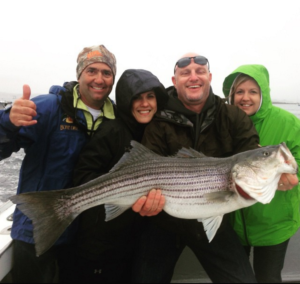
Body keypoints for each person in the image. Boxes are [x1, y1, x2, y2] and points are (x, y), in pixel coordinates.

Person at [132, 53, 298, 283]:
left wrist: (276, 174)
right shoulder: (159, 121)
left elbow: (251, 152)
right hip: (165, 220)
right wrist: (145, 202)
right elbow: (144, 169)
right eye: (185, 73)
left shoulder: (232, 116)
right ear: (174, 80)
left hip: (215, 216)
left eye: (200, 72)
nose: (193, 77)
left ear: (209, 77)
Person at [0, 44, 117, 283]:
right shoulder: (48, 107)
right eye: (91, 70)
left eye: (107, 73)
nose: (99, 78)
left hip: (81, 234)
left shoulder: (116, 117)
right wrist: (8, 123)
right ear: (79, 74)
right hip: (36, 228)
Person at [71, 69, 168, 283]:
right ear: (126, 102)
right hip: (102, 240)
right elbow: (82, 175)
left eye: (150, 96)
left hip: (134, 239)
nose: (145, 104)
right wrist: (118, 188)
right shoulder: (111, 131)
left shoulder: (157, 132)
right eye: (137, 98)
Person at [222, 64, 300, 283]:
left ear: (263, 94)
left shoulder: (288, 122)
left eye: (253, 92)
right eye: (239, 92)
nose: (245, 98)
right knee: (237, 278)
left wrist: (295, 173)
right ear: (231, 95)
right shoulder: (224, 122)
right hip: (236, 222)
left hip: (274, 223)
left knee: (268, 277)